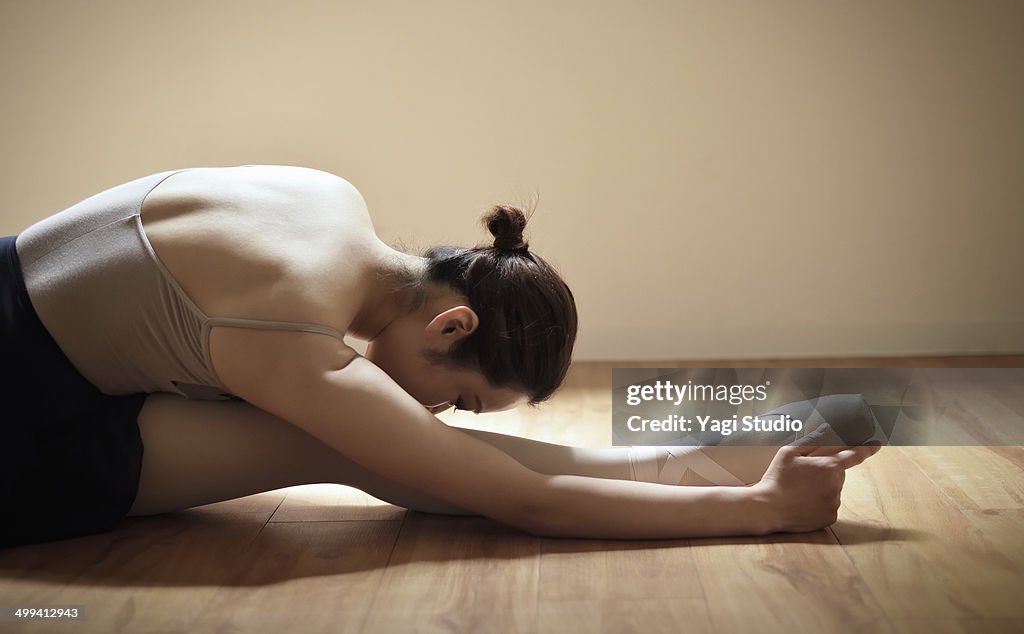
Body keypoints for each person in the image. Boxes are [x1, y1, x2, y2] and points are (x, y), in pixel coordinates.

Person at [0, 165, 879, 548]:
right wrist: (760, 515)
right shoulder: (291, 337)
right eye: (460, 399)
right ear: (453, 327)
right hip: (18, 424)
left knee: (375, 441)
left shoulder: (322, 196)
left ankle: (693, 456)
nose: (433, 411)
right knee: (348, 444)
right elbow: (530, 505)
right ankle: (701, 468)